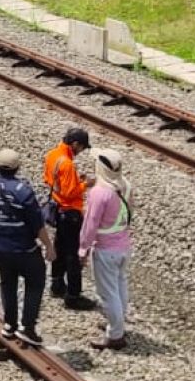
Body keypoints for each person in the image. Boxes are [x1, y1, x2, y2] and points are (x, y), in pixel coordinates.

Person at [0, 148, 56, 347]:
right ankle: (27, 326)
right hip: (23, 248)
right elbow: (37, 225)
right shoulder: (23, 191)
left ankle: (9, 324)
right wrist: (49, 247)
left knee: (7, 282)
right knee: (35, 281)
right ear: (17, 168)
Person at [79, 148, 134, 350]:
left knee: (107, 293)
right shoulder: (126, 185)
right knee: (120, 286)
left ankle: (116, 335)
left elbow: (90, 225)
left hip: (106, 248)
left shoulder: (99, 192)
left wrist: (82, 249)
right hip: (123, 244)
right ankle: (117, 323)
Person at [42, 127, 97, 310]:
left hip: (58, 209)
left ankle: (56, 285)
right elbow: (69, 192)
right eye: (81, 147)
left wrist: (74, 180)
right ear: (75, 144)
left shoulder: (52, 155)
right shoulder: (67, 163)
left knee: (59, 246)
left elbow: (49, 180)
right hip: (70, 213)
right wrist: (85, 184)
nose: (81, 151)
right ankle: (73, 296)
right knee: (73, 254)